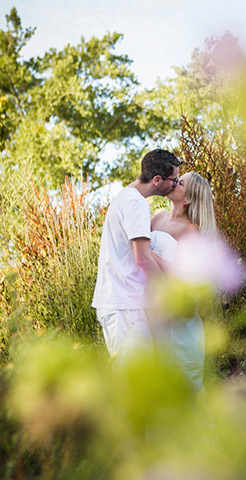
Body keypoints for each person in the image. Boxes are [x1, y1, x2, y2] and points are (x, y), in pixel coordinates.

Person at [91, 149, 182, 362]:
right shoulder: (135, 203)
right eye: (174, 180)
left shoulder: (126, 197)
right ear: (157, 180)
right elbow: (141, 257)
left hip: (123, 302)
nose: (175, 184)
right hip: (125, 305)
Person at [148, 172, 218, 390]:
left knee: (183, 389)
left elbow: (182, 276)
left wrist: (146, 256)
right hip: (155, 314)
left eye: (179, 183)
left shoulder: (191, 232)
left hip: (180, 324)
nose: (172, 182)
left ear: (187, 199)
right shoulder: (157, 217)